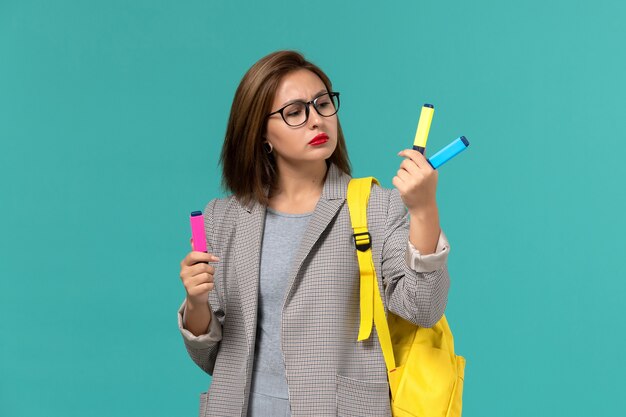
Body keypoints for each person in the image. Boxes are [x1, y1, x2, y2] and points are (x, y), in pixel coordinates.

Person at [177, 50, 451, 417]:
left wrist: (424, 210)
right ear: (261, 134)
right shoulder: (222, 218)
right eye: (295, 112)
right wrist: (196, 303)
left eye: (323, 104)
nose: (317, 121)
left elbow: (422, 308)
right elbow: (209, 357)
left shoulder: (374, 206)